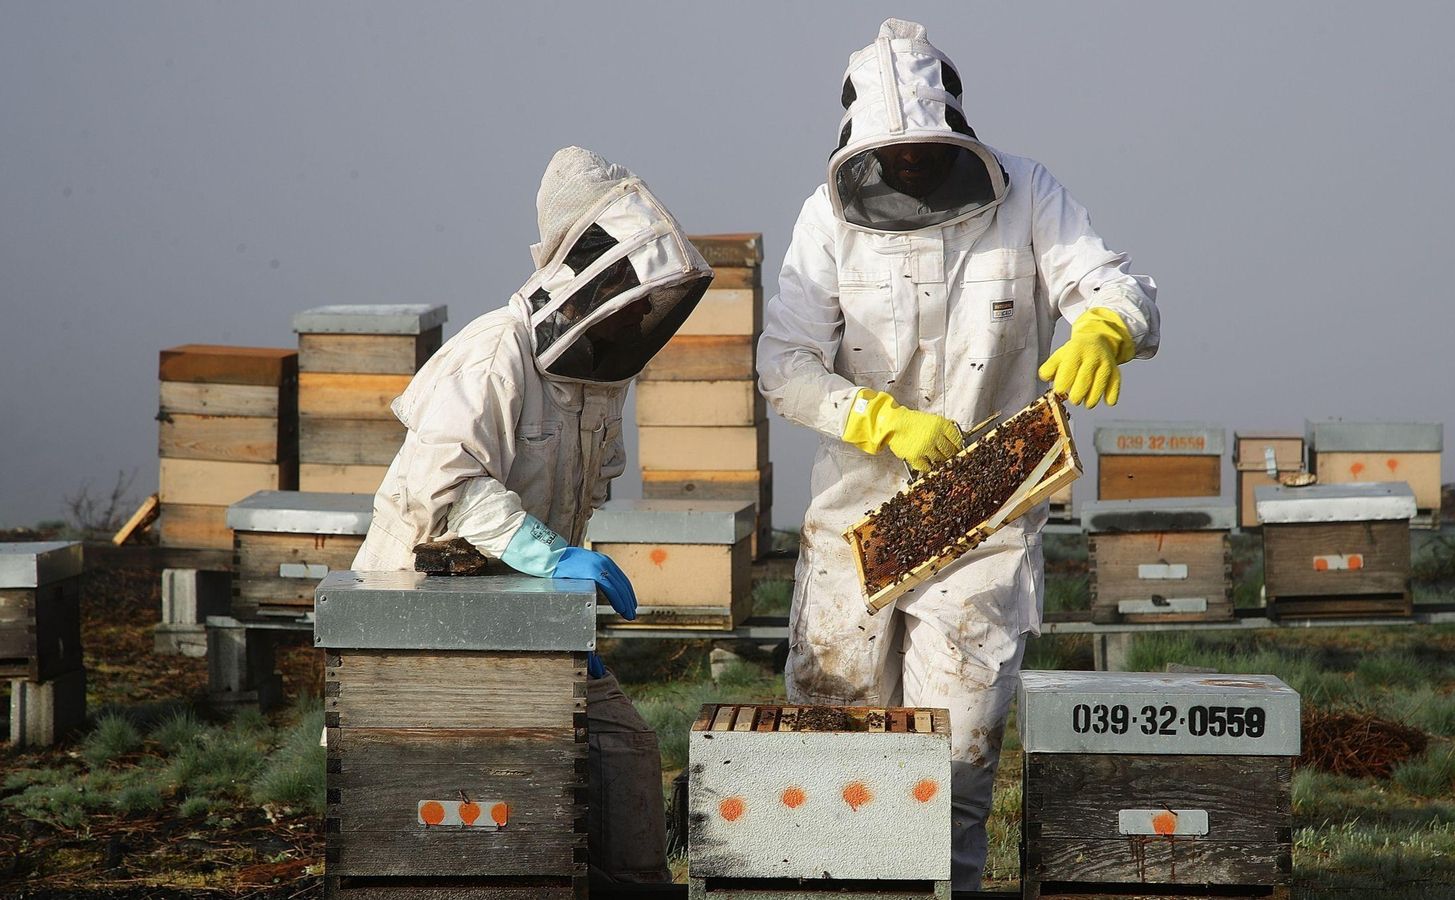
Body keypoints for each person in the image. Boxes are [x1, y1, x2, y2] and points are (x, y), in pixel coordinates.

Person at [755, 19, 1160, 888]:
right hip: (855, 526)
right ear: (858, 143)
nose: (908, 167)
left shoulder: (1028, 195)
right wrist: (880, 420)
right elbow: (782, 365)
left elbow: (1117, 282)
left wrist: (1105, 325)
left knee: (955, 767)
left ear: (955, 133)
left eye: (922, 151)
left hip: (985, 530)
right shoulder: (825, 221)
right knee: (832, 755)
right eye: (891, 154)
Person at [350, 146, 713, 885]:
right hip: (425, 614)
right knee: (500, 786)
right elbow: (445, 485)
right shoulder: (495, 353)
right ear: (591, 271)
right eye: (630, 283)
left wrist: (562, 611)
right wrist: (551, 559)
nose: (643, 304)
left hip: (526, 612)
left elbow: (585, 496)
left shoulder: (599, 377)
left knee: (624, 753)